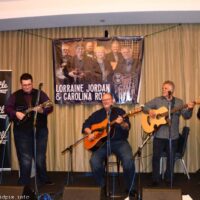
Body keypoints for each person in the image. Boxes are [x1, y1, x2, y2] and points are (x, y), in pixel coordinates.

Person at [82, 93, 136, 196]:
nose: (105, 101)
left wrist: (122, 123)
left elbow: (127, 126)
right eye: (103, 100)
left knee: (128, 161)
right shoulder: (97, 114)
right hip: (102, 143)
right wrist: (90, 132)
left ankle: (130, 188)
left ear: (113, 101)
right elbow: (85, 124)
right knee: (94, 161)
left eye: (108, 99)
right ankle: (102, 186)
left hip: (120, 142)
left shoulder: (120, 112)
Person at [5, 73, 53, 186]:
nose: (27, 87)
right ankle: (24, 182)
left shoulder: (40, 94)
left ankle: (43, 179)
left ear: (32, 83)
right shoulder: (15, 95)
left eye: (29, 84)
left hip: (40, 130)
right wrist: (16, 113)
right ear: (21, 84)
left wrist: (41, 110)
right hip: (21, 131)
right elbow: (7, 108)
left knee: (40, 156)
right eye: (24, 85)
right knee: (25, 158)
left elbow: (49, 106)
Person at [143, 80, 194, 186]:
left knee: (171, 159)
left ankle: (168, 177)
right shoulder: (157, 100)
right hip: (159, 135)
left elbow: (186, 116)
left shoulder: (179, 102)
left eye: (165, 88)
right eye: (162, 88)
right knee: (156, 157)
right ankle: (155, 179)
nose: (163, 90)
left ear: (172, 90)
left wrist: (190, 108)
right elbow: (144, 106)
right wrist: (150, 111)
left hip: (173, 136)